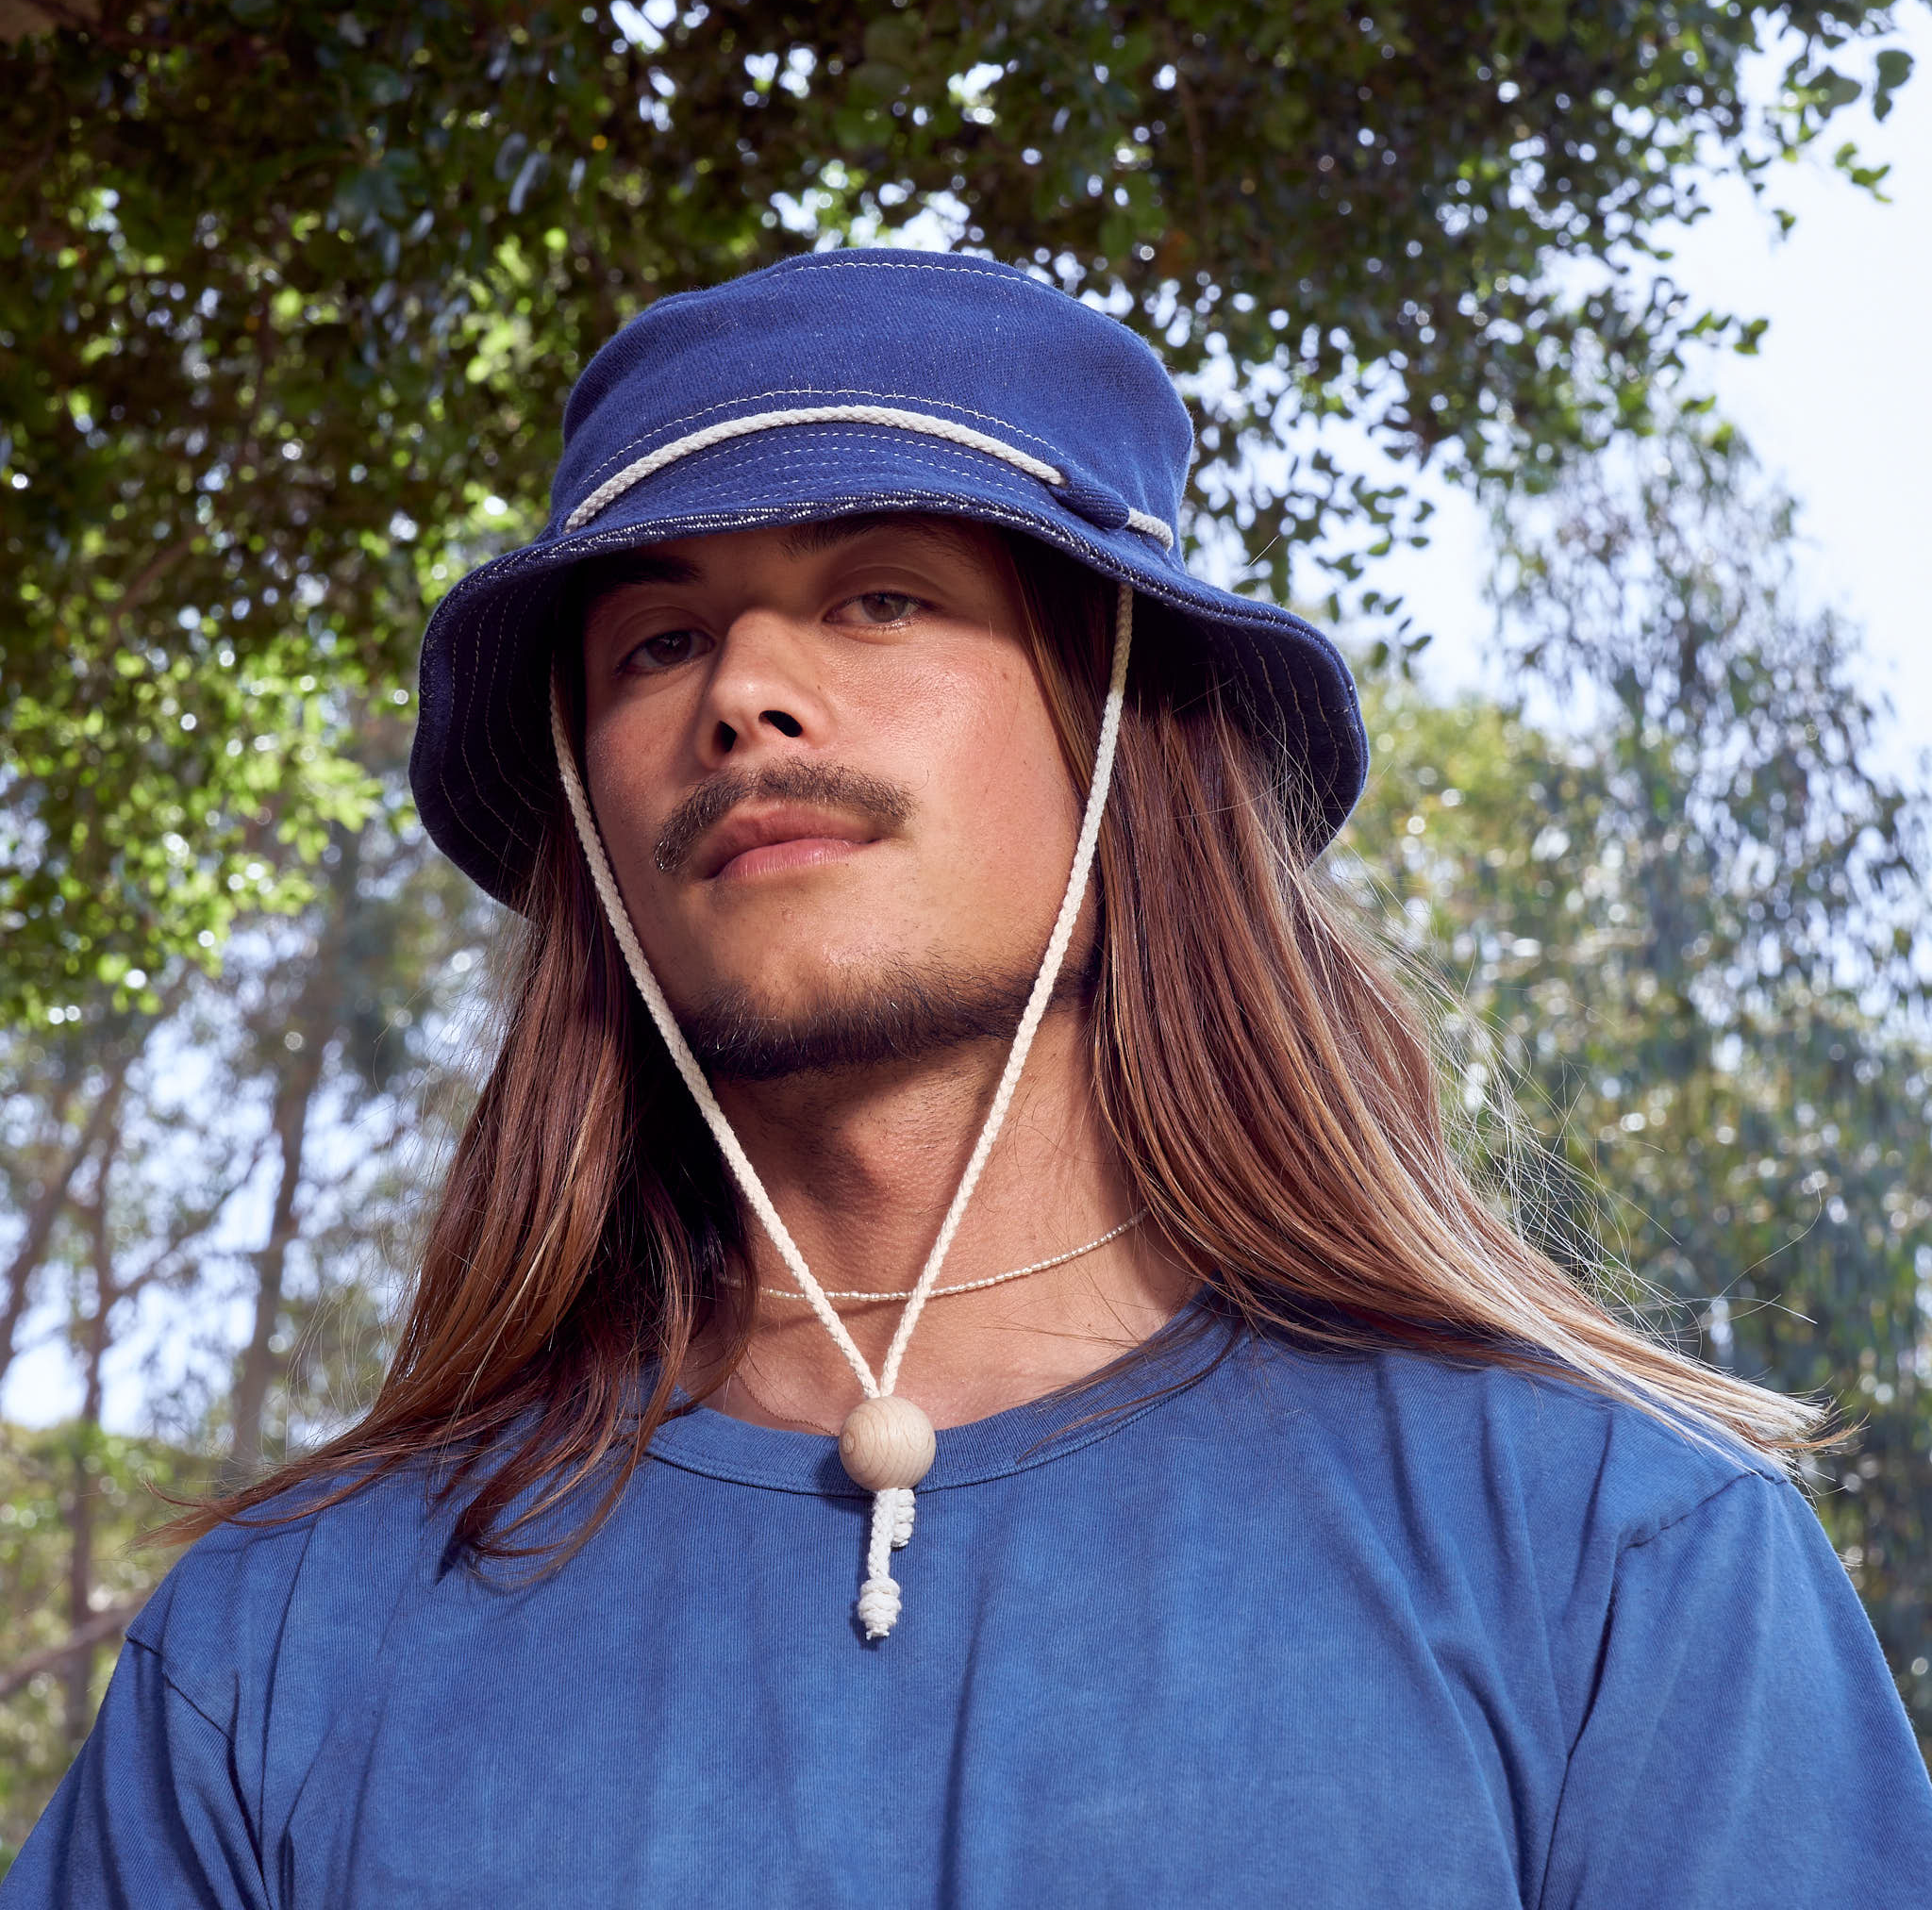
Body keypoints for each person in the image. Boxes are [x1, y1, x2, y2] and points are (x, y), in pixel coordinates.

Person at [7, 247, 1929, 1908]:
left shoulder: (1612, 1548)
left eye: (880, 597)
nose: (740, 689)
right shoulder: (276, 1646)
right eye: (655, 637)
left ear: (1128, 730)